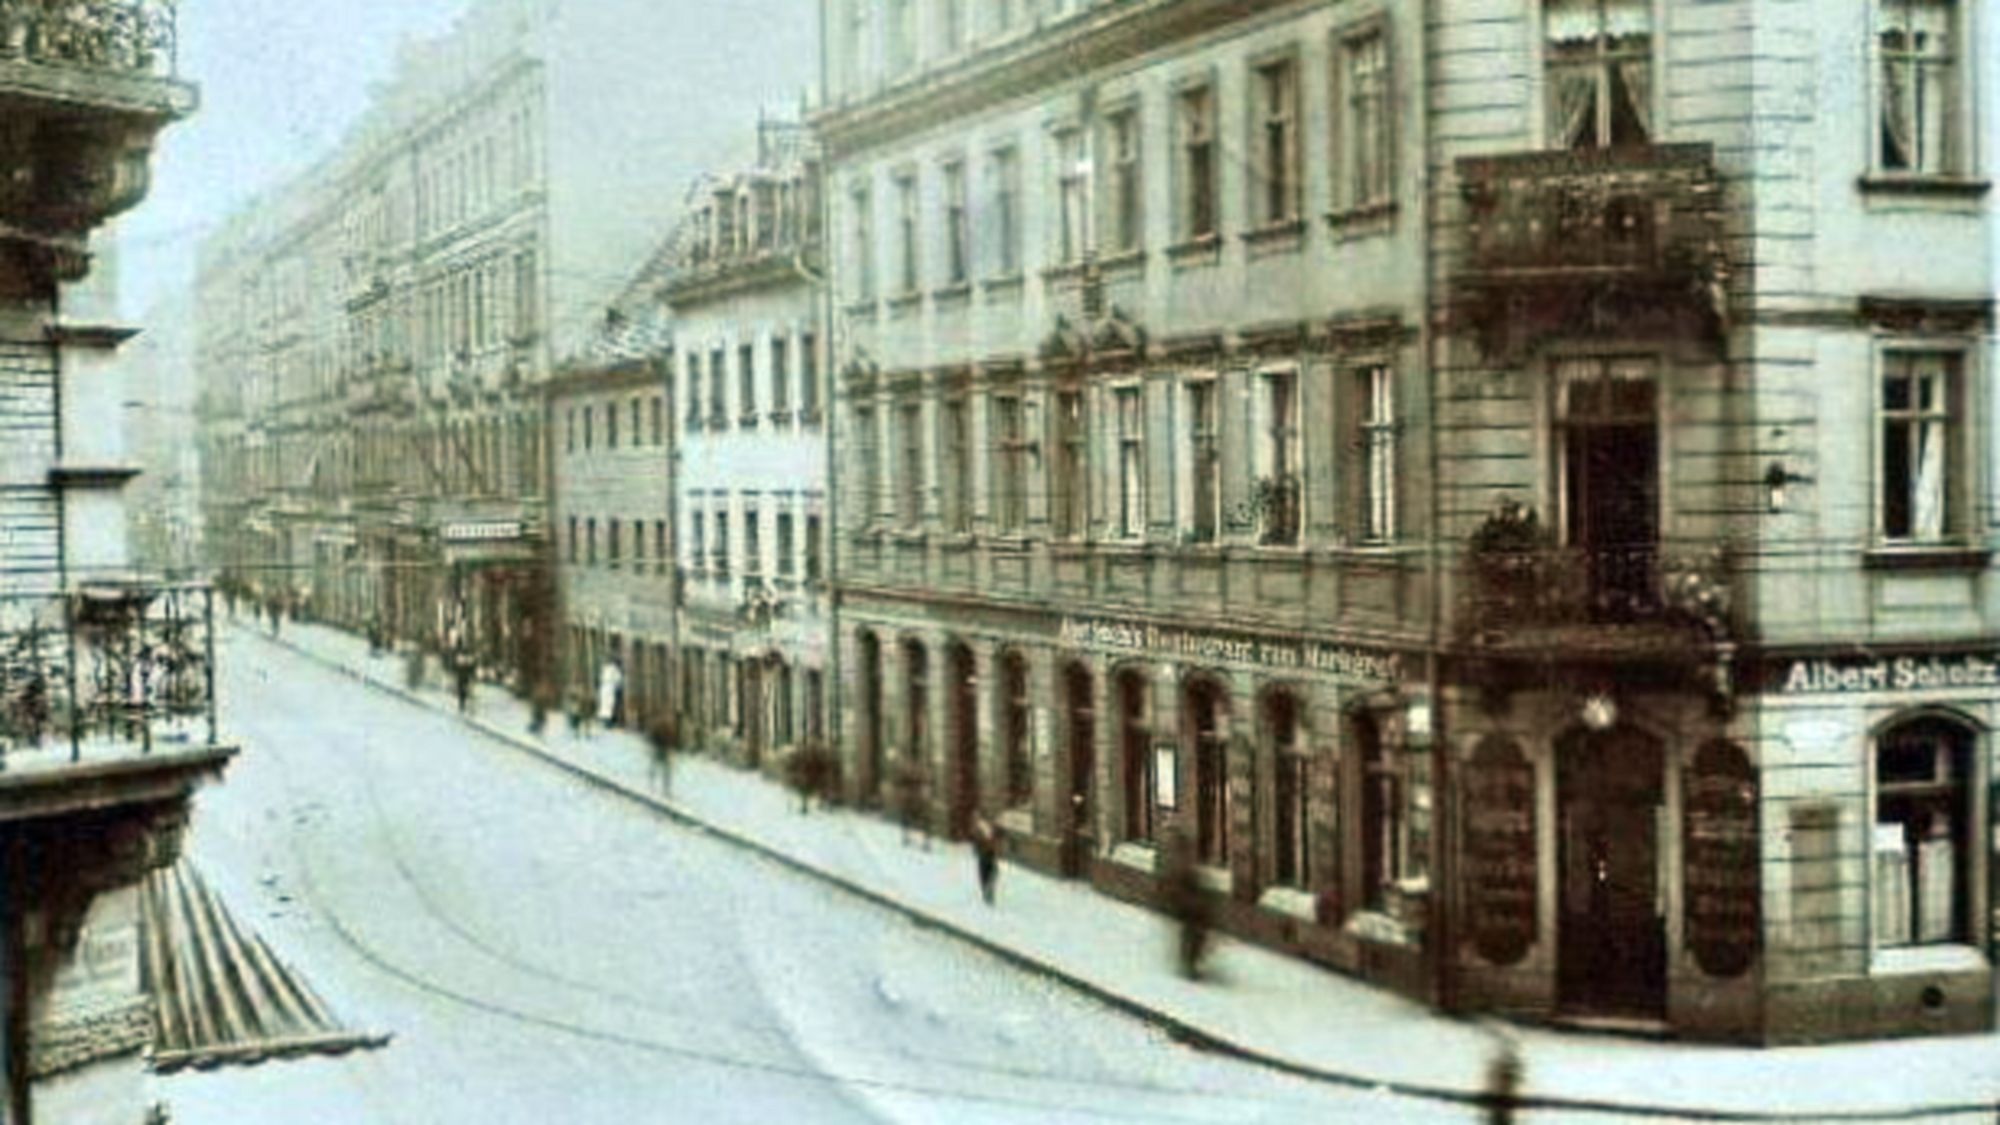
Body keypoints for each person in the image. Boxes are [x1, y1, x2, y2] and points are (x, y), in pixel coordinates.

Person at [970, 814, 1000, 906]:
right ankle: (987, 895)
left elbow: (992, 840)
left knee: (989, 874)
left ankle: (987, 894)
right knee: (989, 874)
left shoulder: (982, 828)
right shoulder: (979, 830)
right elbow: (978, 842)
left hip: (987, 855)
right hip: (986, 855)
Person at [596, 657, 624, 728]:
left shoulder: (606, 668)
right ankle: (608, 723)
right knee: (610, 704)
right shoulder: (615, 670)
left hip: (603, 687)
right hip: (610, 688)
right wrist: (619, 688)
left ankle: (603, 720)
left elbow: (601, 678)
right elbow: (618, 680)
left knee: (604, 704)